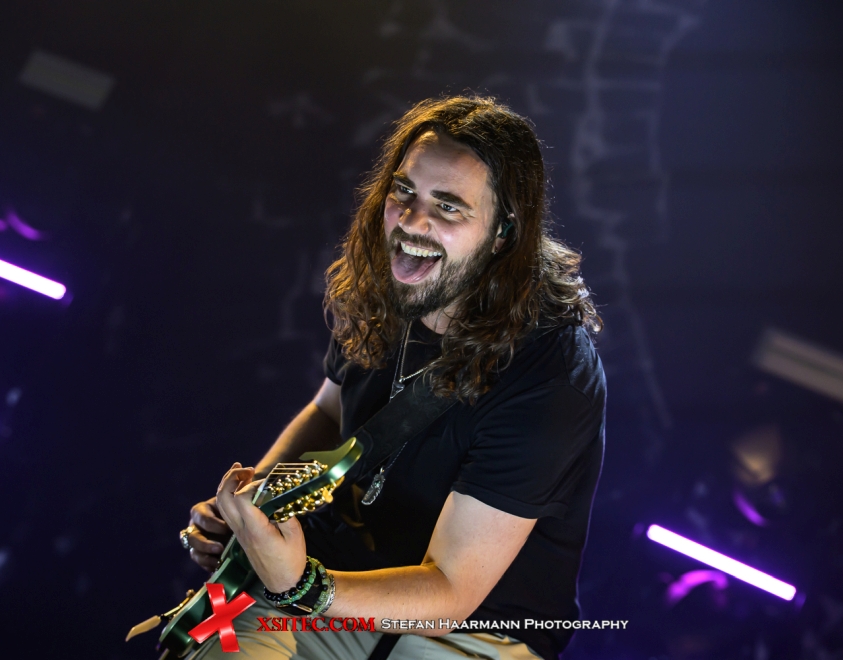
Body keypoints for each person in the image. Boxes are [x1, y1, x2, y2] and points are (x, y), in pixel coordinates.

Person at [180, 95, 606, 660]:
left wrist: (302, 585)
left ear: (503, 232)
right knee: (209, 644)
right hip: (332, 573)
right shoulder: (390, 282)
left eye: (448, 207)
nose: (410, 222)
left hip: (469, 631)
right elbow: (330, 410)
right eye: (403, 192)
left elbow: (450, 591)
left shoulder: (553, 376)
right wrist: (253, 509)